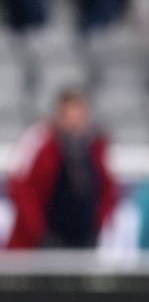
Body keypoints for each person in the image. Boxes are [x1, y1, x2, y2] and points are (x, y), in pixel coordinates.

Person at [7, 89, 117, 249]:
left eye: (79, 116)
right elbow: (21, 188)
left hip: (86, 236)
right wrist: (39, 231)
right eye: (70, 117)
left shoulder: (97, 145)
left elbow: (107, 188)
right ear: (58, 116)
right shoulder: (41, 143)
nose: (75, 123)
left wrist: (99, 223)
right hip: (48, 237)